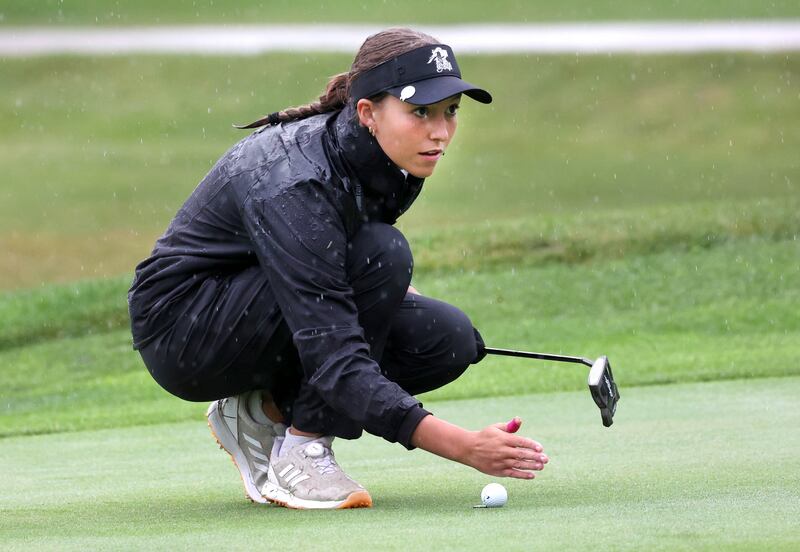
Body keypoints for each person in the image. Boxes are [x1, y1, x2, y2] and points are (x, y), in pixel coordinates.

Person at [128, 27, 548, 510]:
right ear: (367, 112)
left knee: (445, 339)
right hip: (185, 332)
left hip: (253, 299)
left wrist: (385, 292)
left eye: (450, 111)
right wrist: (462, 445)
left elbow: (344, 265)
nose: (440, 131)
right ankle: (302, 452)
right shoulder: (296, 180)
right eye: (420, 112)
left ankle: (261, 412)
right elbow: (336, 351)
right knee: (383, 254)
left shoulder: (398, 158)